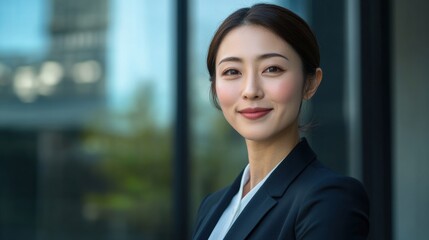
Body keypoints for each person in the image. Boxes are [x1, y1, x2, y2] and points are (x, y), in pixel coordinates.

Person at [192, 3, 369, 240]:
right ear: (215, 86)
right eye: (232, 72)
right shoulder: (212, 206)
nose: (251, 90)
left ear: (310, 83)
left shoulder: (330, 199)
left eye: (272, 69)